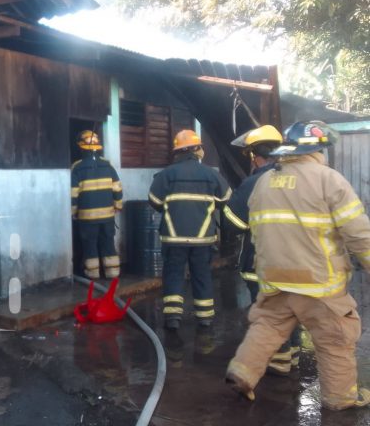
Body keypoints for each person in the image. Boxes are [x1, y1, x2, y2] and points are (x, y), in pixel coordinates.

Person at [226, 121, 370, 410]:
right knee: (335, 338)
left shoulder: (264, 182)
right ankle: (340, 398)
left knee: (267, 326)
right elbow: (359, 234)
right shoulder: (329, 180)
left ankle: (242, 370)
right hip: (319, 284)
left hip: (274, 278)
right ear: (318, 149)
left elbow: (255, 229)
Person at [223, 125, 302, 376]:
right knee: (292, 308)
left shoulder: (255, 181)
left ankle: (278, 364)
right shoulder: (302, 177)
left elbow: (233, 223)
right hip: (299, 263)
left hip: (262, 262)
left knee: (269, 315)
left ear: (255, 155)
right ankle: (294, 355)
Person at [148, 129, 231, 330]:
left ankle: (173, 318)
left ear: (178, 151)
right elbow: (226, 198)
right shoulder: (211, 174)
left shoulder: (165, 175)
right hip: (203, 238)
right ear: (196, 149)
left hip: (173, 237)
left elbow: (154, 201)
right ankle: (204, 317)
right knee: (201, 274)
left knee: (174, 273)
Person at [71, 130, 123, 279]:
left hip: (87, 218)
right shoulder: (108, 166)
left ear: (81, 147)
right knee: (108, 243)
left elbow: (73, 194)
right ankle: (112, 273)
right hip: (107, 216)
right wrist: (117, 206)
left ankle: (92, 275)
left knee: (90, 245)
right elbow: (118, 189)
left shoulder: (77, 167)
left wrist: (74, 212)